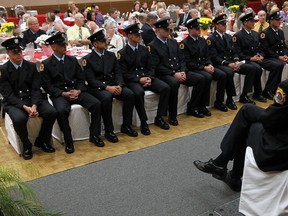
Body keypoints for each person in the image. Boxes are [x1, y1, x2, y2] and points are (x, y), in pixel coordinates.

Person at [194, 79, 288, 192]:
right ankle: (228, 171)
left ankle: (224, 166)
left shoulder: (286, 87)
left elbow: (272, 120)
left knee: (246, 122)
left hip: (277, 150)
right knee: (247, 114)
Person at [40, 32, 104, 153]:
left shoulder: (72, 60)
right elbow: (47, 86)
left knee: (96, 103)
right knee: (61, 110)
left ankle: (94, 135)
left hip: (76, 90)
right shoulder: (46, 64)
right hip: (60, 94)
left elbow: (81, 78)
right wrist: (63, 94)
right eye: (61, 45)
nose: (64, 47)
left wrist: (79, 90)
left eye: (64, 44)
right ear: (53, 47)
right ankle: (68, 140)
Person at [0, 37, 57, 160]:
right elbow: (8, 94)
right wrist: (25, 107)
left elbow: (36, 88)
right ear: (8, 53)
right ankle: (26, 145)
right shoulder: (3, 70)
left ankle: (43, 140)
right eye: (15, 52)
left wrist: (34, 105)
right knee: (19, 118)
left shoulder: (31, 66)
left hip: (32, 99)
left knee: (51, 112)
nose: (18, 55)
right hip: (15, 102)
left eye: (20, 51)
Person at [82, 29, 138, 141]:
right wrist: (107, 88)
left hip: (113, 85)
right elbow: (91, 80)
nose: (105, 43)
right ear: (95, 44)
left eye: (105, 40)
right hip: (98, 88)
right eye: (102, 41)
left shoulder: (111, 55)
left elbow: (118, 72)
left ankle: (126, 125)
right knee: (106, 98)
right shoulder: (88, 59)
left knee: (129, 94)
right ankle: (109, 130)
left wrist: (119, 85)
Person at [148, 18, 209, 119]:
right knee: (174, 83)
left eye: (169, 30)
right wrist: (173, 73)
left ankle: (193, 107)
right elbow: (157, 66)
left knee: (200, 79)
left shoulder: (173, 42)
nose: (168, 32)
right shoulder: (152, 45)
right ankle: (172, 114)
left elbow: (182, 59)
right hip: (165, 74)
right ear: (157, 30)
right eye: (166, 30)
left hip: (178, 71)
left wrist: (183, 71)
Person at [118, 23, 171, 134]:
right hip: (133, 80)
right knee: (138, 92)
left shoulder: (144, 49)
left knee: (165, 88)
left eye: (139, 34)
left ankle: (160, 117)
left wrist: (149, 78)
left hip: (146, 77)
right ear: (129, 36)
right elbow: (124, 73)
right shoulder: (122, 53)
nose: (139, 36)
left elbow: (151, 66)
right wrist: (139, 79)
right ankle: (143, 121)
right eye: (136, 34)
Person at [207, 14, 261, 110]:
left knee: (252, 68)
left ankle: (244, 95)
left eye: (225, 23)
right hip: (220, 63)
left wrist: (236, 61)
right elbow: (214, 57)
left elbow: (234, 52)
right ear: (217, 26)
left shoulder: (228, 37)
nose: (225, 25)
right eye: (223, 24)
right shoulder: (212, 39)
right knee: (228, 72)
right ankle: (226, 99)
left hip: (231, 62)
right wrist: (228, 64)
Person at [181, 18, 228, 113]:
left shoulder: (202, 40)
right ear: (190, 30)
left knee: (222, 75)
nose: (199, 30)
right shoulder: (185, 43)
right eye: (196, 28)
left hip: (204, 66)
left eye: (199, 28)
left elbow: (207, 56)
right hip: (194, 68)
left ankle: (218, 101)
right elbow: (187, 62)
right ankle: (195, 106)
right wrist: (203, 67)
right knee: (205, 77)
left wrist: (209, 64)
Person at [232, 12, 267, 104]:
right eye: (251, 21)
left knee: (258, 68)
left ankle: (257, 93)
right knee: (253, 68)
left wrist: (260, 55)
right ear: (245, 23)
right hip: (243, 60)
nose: (253, 23)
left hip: (254, 59)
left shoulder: (255, 34)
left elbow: (260, 48)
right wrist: (251, 58)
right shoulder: (238, 35)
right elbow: (237, 53)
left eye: (253, 21)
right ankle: (244, 95)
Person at [259, 11, 288, 100]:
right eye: (277, 20)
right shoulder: (265, 33)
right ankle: (268, 90)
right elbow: (266, 50)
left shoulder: (280, 32)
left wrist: (285, 55)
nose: (279, 22)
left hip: (278, 57)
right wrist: (278, 57)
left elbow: (283, 46)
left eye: (280, 20)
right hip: (268, 57)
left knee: (281, 63)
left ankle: (279, 88)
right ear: (271, 22)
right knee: (277, 65)